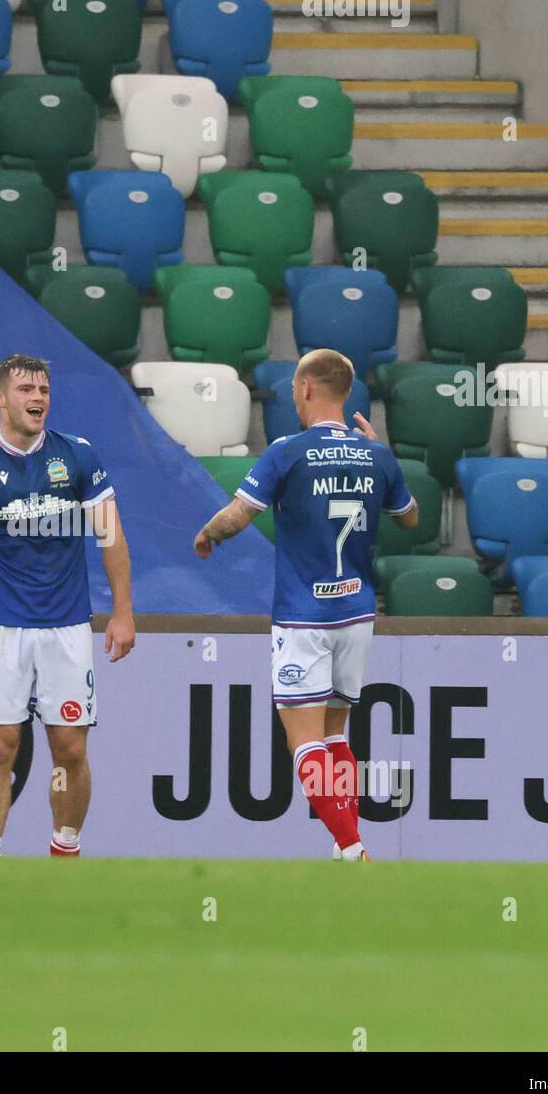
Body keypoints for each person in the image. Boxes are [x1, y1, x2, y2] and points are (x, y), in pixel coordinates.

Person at [193, 349, 418, 862]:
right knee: (336, 733)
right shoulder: (375, 455)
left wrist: (208, 534)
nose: (294, 397)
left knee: (303, 741)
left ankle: (352, 845)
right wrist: (380, 456)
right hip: (357, 612)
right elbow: (410, 519)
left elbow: (239, 515)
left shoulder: (287, 451)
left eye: (295, 389)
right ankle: (347, 848)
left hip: (304, 615)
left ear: (308, 389)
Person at [0, 354, 135, 857]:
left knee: (69, 749)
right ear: (0, 398)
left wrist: (123, 611)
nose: (38, 399)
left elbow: (110, 535)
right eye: (26, 390)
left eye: (44, 390)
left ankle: (65, 846)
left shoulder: (77, 456)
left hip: (67, 626)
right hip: (1, 627)